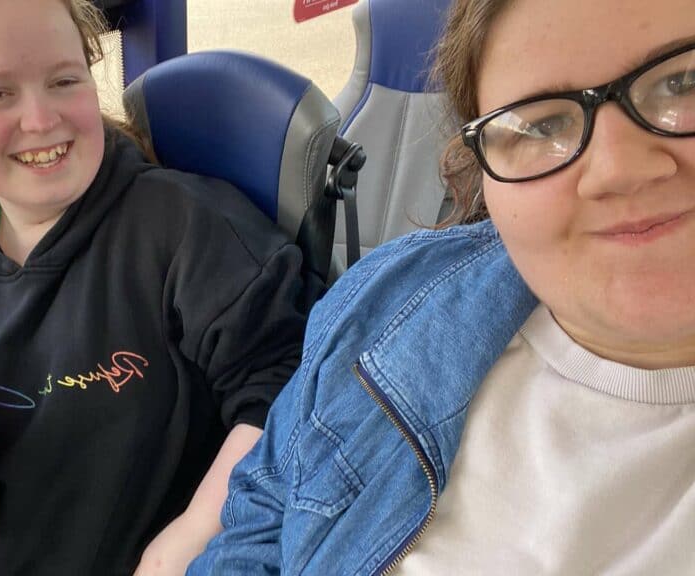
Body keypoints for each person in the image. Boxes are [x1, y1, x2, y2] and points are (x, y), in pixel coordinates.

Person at [0, 0, 322, 574]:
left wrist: (193, 536)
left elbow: (289, 388)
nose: (42, 119)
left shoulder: (185, 230)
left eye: (65, 80)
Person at [188, 0, 695, 573]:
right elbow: (265, 510)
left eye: (683, 81)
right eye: (541, 124)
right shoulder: (385, 300)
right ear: (480, 169)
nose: (618, 169)